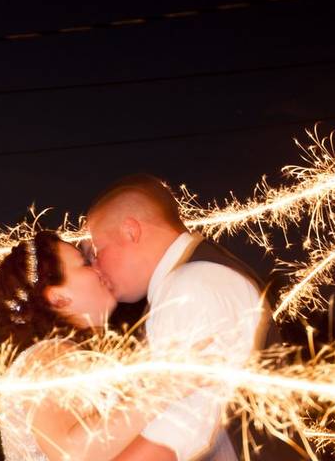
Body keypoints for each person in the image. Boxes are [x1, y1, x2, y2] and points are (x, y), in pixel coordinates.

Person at [87, 174, 273, 461]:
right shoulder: (189, 280)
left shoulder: (191, 285)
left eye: (98, 251)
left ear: (131, 231)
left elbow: (175, 437)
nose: (96, 267)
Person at [0, 230, 166, 461]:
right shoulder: (48, 357)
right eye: (84, 264)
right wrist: (169, 387)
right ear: (58, 297)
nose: (98, 268)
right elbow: (70, 452)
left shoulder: (68, 356)